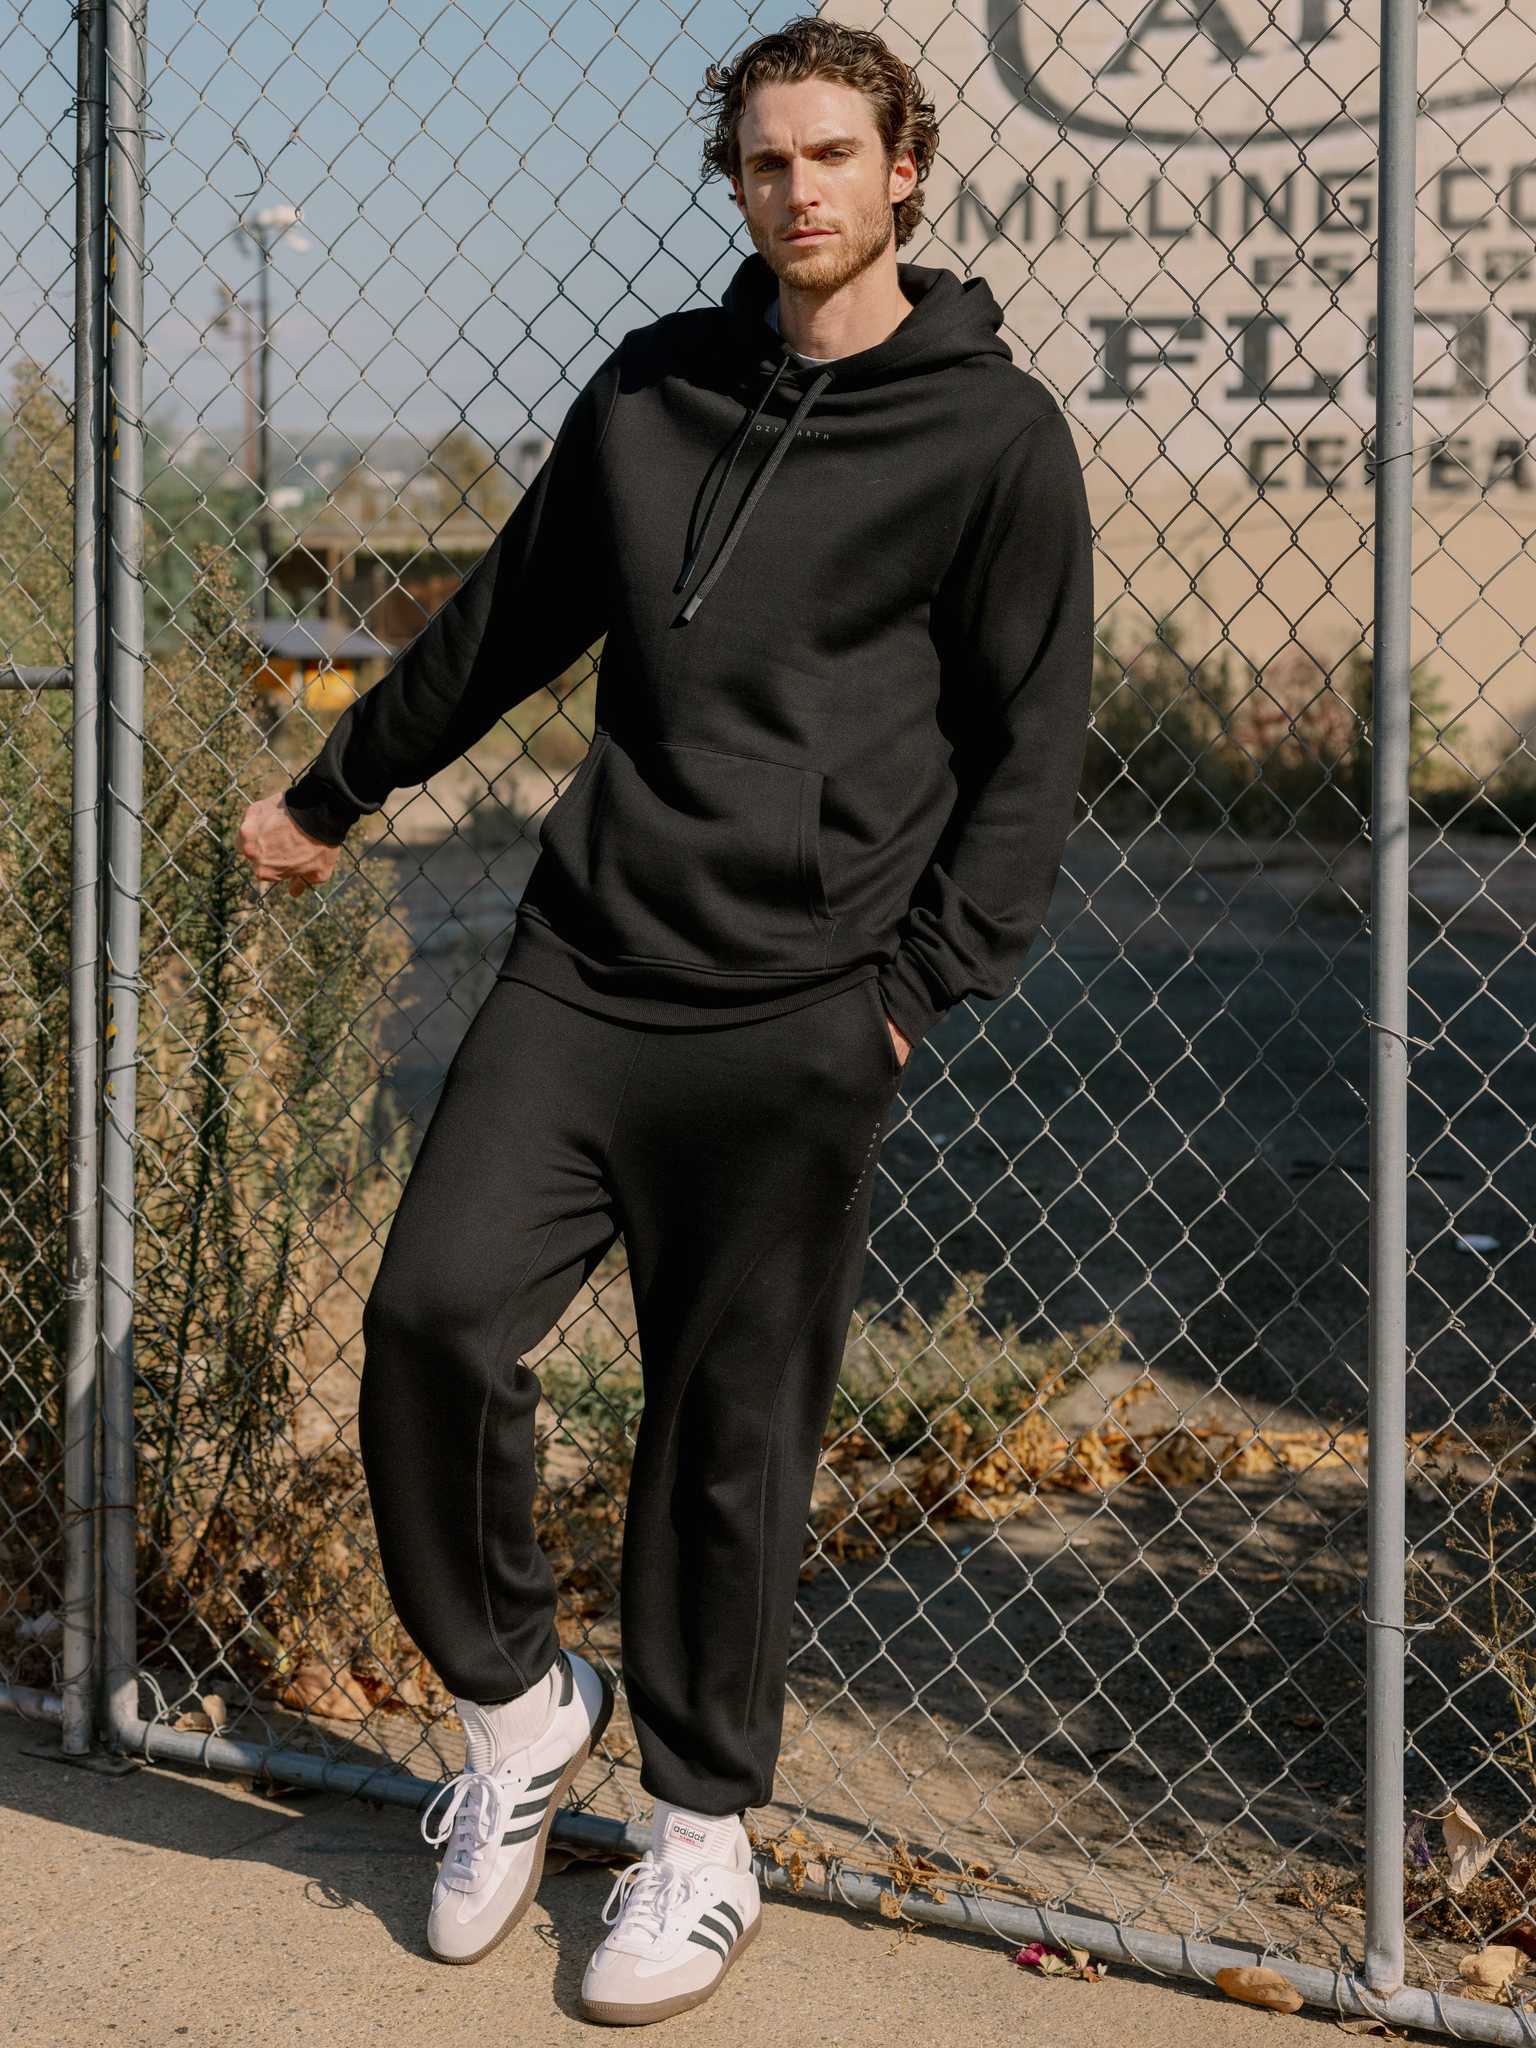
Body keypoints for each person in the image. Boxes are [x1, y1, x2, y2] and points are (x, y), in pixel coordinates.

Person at [237, 14, 1094, 2025]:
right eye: (764, 161)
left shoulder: (991, 437)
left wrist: (904, 996)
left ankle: (702, 1826)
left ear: (905, 174)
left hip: (802, 1010)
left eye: (831, 156)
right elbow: (508, 620)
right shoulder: (655, 396)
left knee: (732, 1436)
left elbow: (1029, 755)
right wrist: (333, 792)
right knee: (430, 1317)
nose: (796, 190)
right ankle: (523, 1712)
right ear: (739, 184)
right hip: (584, 963)